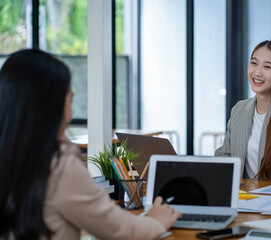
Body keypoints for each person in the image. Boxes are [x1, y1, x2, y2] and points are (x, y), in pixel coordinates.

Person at [0, 49, 181, 240]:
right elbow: (119, 229)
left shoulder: (12, 157)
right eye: (70, 98)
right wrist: (156, 221)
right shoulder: (59, 166)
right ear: (54, 106)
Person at [215, 40, 271, 184]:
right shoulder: (240, 109)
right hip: (245, 198)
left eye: (267, 67)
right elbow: (226, 158)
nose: (257, 72)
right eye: (254, 63)